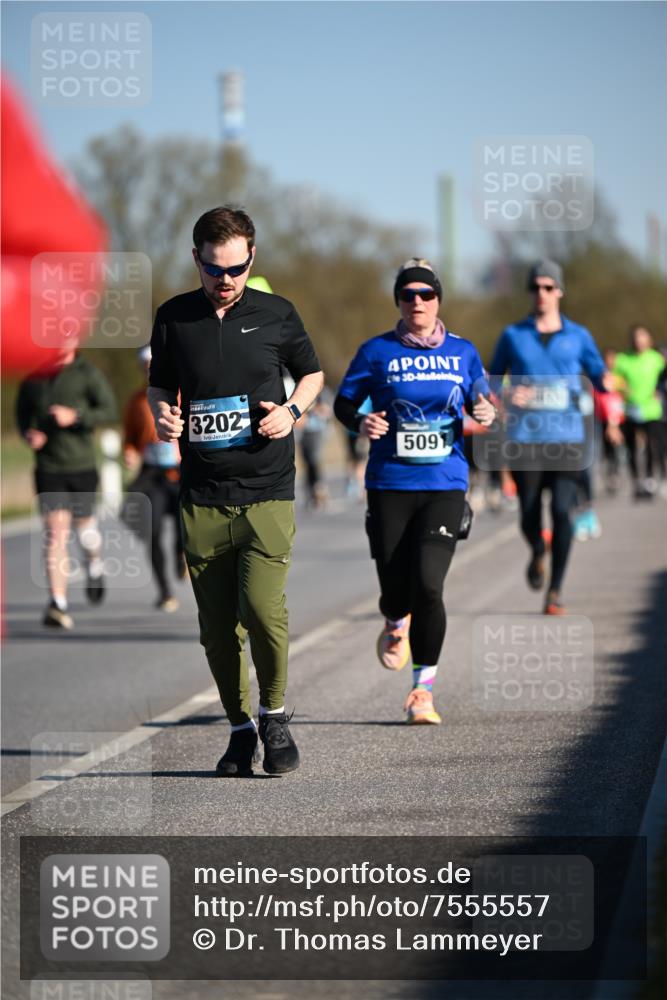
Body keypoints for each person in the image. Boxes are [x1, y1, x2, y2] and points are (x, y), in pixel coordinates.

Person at [147, 206, 323, 776]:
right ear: (195, 259)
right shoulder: (174, 317)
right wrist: (163, 419)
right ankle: (240, 728)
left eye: (237, 269)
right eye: (214, 270)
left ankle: (274, 716)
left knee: (263, 608)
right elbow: (158, 387)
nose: (226, 281)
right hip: (202, 495)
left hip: (267, 488)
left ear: (253, 259)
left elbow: (315, 375)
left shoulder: (277, 314)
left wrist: (293, 411)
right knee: (217, 631)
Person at [334, 258, 495, 725]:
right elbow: (345, 403)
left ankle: (422, 691)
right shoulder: (375, 352)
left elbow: (482, 403)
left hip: (445, 481)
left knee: (429, 583)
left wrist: (485, 413)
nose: (418, 302)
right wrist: (361, 420)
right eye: (409, 295)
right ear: (399, 302)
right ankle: (393, 619)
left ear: (439, 299)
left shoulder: (464, 353)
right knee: (394, 583)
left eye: (426, 294)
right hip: (389, 482)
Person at [488, 259, 612, 615]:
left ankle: (555, 590)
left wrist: (603, 388)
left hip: (568, 438)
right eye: (535, 287)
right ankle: (538, 550)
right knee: (528, 515)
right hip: (525, 438)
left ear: (559, 291)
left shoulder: (579, 336)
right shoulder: (513, 335)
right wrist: (509, 394)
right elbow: (492, 380)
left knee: (562, 512)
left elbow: (600, 376)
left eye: (547, 286)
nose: (541, 293)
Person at [16, 345, 116, 629]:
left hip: (81, 465)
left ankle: (94, 565)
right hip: (49, 468)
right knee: (55, 534)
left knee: (86, 531)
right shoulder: (34, 376)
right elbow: (22, 413)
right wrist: (28, 433)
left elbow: (108, 409)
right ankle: (57, 603)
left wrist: (77, 416)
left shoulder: (87, 373)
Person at [122, 345, 186, 612]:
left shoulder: (183, 395)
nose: (149, 369)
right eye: (145, 365)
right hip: (152, 475)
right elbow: (130, 438)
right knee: (152, 531)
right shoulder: (137, 402)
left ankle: (180, 554)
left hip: (182, 473)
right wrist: (130, 452)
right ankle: (165, 592)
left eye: (153, 364)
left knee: (186, 531)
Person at [613, 325, 666, 499]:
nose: (639, 341)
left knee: (652, 443)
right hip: (630, 408)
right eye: (636, 338)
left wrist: (660, 389)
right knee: (631, 447)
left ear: (649, 339)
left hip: (651, 409)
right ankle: (637, 480)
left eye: (643, 337)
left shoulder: (656, 359)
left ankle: (650, 478)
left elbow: (663, 376)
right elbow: (614, 381)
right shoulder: (623, 359)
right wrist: (622, 389)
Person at [296, 387, 333, 509]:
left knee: (314, 460)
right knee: (307, 462)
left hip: (317, 429)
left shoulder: (321, 391)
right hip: (303, 431)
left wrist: (314, 409)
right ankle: (311, 493)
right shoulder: (299, 389)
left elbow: (326, 410)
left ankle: (319, 489)